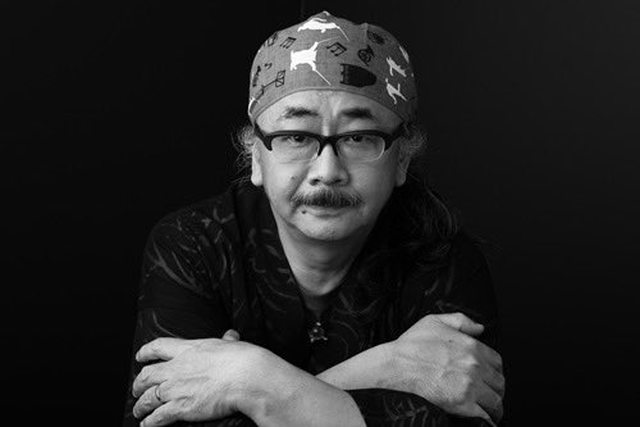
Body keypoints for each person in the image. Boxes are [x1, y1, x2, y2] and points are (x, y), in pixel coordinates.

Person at [123, 10, 505, 427]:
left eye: (359, 137)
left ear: (401, 160)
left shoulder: (445, 260)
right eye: (296, 137)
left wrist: (247, 380)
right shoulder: (192, 245)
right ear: (256, 157)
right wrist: (387, 369)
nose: (327, 171)